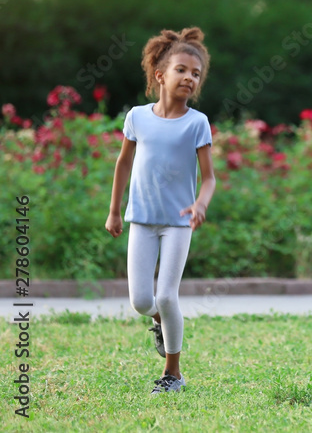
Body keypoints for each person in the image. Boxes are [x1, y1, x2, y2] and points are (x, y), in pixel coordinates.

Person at [104, 27, 216, 395]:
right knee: (141, 301)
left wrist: (200, 204)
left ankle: (173, 373)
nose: (189, 77)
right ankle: (160, 322)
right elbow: (123, 164)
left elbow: (210, 178)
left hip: (178, 223)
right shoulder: (137, 117)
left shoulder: (196, 123)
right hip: (141, 220)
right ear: (160, 75)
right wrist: (115, 211)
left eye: (195, 74)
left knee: (168, 296)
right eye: (182, 69)